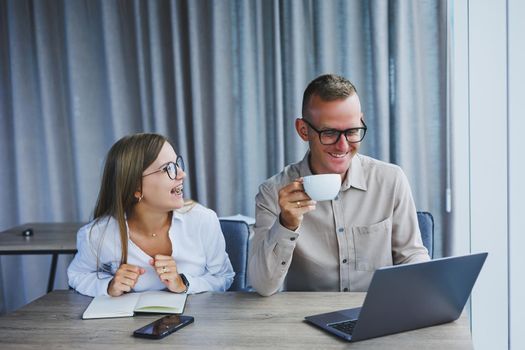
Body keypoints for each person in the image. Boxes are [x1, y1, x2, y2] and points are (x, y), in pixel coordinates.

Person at [248, 74, 430, 296]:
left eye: (352, 131)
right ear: (303, 130)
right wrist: (286, 224)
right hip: (304, 322)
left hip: (376, 316)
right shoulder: (273, 192)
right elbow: (263, 286)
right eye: (330, 132)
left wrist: (426, 286)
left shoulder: (391, 180)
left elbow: (411, 256)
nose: (343, 145)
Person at [68, 133, 234, 297]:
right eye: (168, 168)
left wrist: (183, 283)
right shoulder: (97, 235)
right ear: (136, 187)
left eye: (177, 164)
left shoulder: (203, 220)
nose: (182, 174)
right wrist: (109, 286)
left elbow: (223, 278)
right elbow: (77, 276)